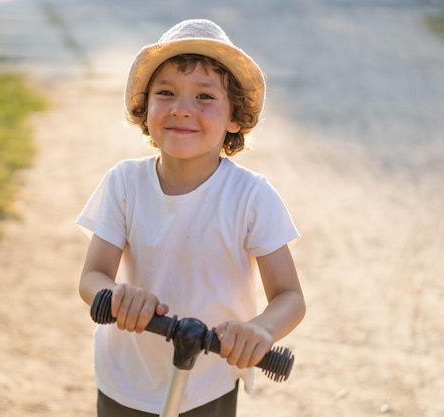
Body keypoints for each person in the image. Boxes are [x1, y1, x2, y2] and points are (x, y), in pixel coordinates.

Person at [77, 19, 305, 417]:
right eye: (165, 93)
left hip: (209, 377)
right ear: (145, 108)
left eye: (204, 97)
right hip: (126, 375)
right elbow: (91, 277)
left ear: (235, 118)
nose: (182, 109)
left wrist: (261, 330)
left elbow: (290, 297)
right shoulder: (125, 183)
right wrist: (117, 297)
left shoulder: (250, 196)